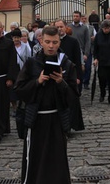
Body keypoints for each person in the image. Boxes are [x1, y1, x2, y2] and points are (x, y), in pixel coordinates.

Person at [15, 26, 77, 184]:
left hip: (56, 119)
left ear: (59, 42)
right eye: (48, 42)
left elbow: (73, 96)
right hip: (36, 120)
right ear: (41, 41)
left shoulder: (67, 64)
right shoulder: (31, 63)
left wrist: (60, 82)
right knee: (36, 158)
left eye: (55, 42)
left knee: (56, 159)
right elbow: (19, 90)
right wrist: (38, 81)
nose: (51, 46)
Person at [52, 20, 84, 132]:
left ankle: (70, 125)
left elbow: (77, 61)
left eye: (61, 26)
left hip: (70, 75)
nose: (59, 29)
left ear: (66, 27)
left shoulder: (73, 41)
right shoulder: (52, 43)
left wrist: (78, 77)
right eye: (57, 27)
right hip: (56, 75)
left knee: (71, 101)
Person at [92, 20, 110, 104]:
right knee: (102, 79)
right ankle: (102, 93)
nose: (106, 30)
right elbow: (95, 49)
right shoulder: (98, 35)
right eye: (104, 28)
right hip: (102, 61)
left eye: (108, 28)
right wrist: (95, 58)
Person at [70, 11, 92, 92]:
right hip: (72, 52)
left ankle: (84, 83)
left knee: (84, 69)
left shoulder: (84, 28)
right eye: (74, 16)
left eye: (77, 16)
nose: (75, 17)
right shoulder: (69, 27)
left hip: (81, 51)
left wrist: (86, 53)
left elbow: (87, 41)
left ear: (80, 17)